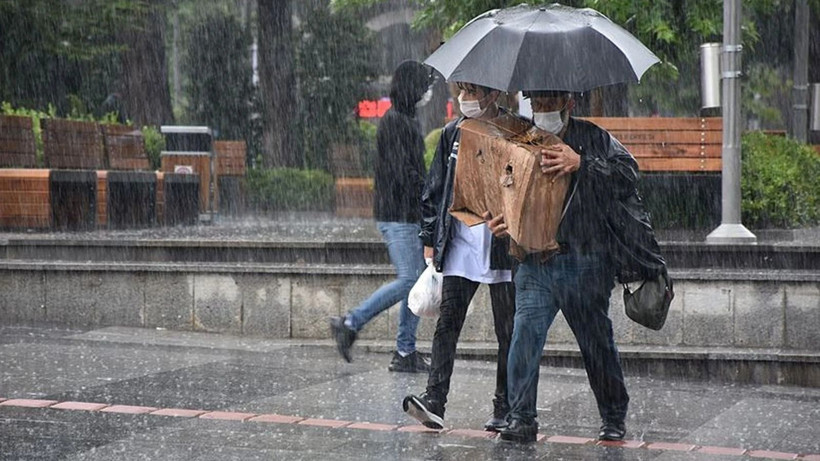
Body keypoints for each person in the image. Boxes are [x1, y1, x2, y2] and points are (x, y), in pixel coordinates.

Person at [486, 90, 636, 443]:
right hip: (534, 261)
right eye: (535, 102)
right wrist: (500, 220)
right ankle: (521, 416)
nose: (541, 109)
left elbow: (628, 174)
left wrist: (581, 163)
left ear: (568, 102)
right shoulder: (519, 140)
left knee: (595, 340)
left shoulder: (592, 138)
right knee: (523, 337)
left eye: (549, 101)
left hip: (582, 258)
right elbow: (499, 189)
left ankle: (613, 414)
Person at [402, 82, 518, 431]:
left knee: (508, 331)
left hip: (501, 246)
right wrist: (428, 237)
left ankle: (505, 405)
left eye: (473, 91)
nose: (465, 99)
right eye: (462, 91)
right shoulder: (452, 134)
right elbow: (433, 188)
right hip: (460, 244)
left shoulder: (515, 133)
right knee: (448, 322)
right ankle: (434, 399)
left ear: (493, 94)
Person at [330, 60, 433, 373]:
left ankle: (405, 351)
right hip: (398, 214)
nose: (426, 92)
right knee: (409, 281)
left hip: (407, 213)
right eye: (423, 86)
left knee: (414, 284)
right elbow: (404, 172)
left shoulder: (405, 119)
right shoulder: (395, 121)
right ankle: (350, 322)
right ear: (411, 88)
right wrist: (430, 188)